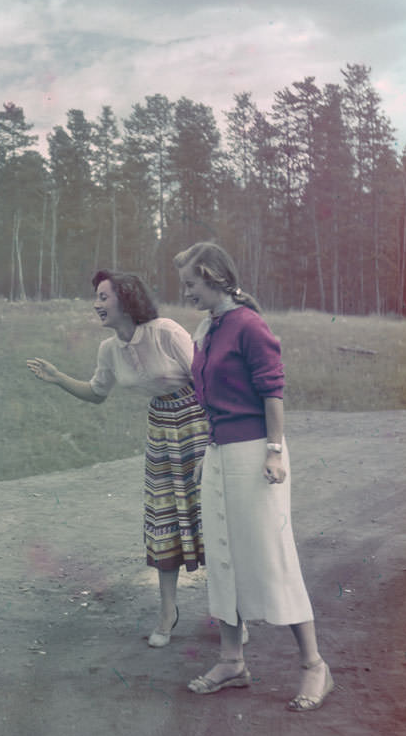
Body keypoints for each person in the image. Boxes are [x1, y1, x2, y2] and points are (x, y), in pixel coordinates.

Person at [174, 242, 333, 711]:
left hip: (256, 454)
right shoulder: (210, 327)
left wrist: (275, 451)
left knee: (271, 555)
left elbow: (272, 391)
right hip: (221, 452)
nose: (186, 294)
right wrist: (212, 448)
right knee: (221, 556)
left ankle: (314, 667)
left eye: (191, 284)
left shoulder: (247, 324)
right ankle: (231, 661)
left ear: (213, 277)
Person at [27, 270, 209, 647]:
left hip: (198, 422)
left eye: (103, 297)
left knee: (211, 516)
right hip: (161, 431)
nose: (97, 304)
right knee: (164, 518)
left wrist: (216, 440)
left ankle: (231, 612)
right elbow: (96, 393)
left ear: (126, 299)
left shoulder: (166, 332)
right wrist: (58, 377)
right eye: (96, 297)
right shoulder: (109, 350)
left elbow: (208, 381)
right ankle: (167, 612)